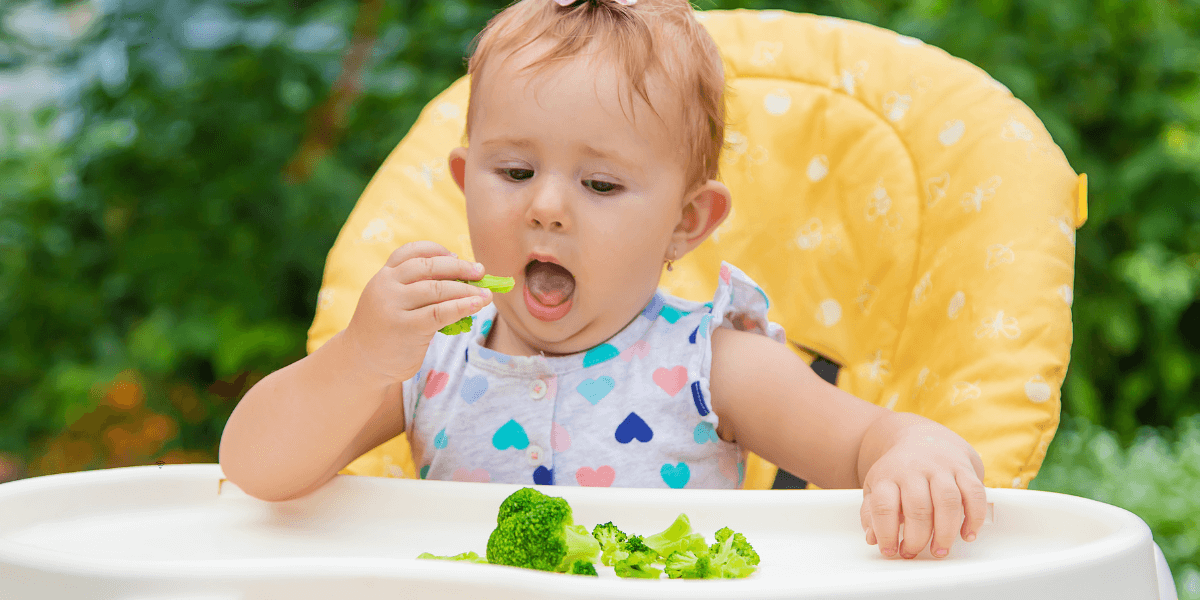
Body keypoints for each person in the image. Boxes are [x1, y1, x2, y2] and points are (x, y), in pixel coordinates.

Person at [219, 0, 987, 562]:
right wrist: (360, 355)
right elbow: (256, 471)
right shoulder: (430, 360)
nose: (547, 207)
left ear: (687, 223)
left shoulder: (712, 364)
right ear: (464, 181)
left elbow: (867, 443)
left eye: (602, 185)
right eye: (515, 171)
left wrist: (913, 454)